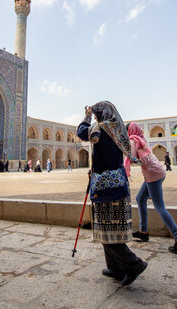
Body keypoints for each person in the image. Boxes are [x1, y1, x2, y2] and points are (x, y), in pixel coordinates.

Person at [77, 101, 147, 286]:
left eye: (96, 114)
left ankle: (134, 265)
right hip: (118, 184)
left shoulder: (100, 129)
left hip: (105, 186)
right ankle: (115, 268)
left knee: (107, 232)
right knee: (108, 229)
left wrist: (86, 116)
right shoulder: (118, 129)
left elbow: (81, 132)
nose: (95, 117)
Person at [126, 122, 177, 254]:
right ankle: (143, 231)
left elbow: (132, 159)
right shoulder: (141, 139)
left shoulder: (133, 140)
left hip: (153, 175)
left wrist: (124, 153)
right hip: (157, 172)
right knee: (140, 198)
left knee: (160, 207)